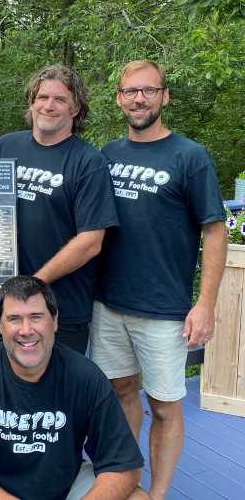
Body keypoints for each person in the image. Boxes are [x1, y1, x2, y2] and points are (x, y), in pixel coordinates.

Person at [91, 59, 228, 500]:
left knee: (166, 407)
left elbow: (215, 229)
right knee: (120, 393)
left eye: (149, 91)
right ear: (118, 98)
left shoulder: (189, 156)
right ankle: (126, 482)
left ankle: (160, 492)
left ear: (164, 97)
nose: (139, 99)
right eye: (130, 91)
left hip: (165, 310)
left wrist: (204, 303)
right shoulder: (107, 155)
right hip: (108, 303)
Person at [0, 275, 146, 500]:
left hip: (66, 485)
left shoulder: (85, 375)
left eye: (36, 317)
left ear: (55, 320)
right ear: (0, 326)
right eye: (14, 319)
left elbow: (123, 466)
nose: (26, 330)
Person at [0, 65, 118, 353]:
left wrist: (33, 285)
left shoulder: (89, 162)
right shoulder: (5, 147)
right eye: (42, 97)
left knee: (54, 396)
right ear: (31, 103)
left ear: (75, 109)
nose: (49, 105)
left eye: (60, 99)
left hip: (61, 308)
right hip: (4, 303)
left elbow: (91, 242)